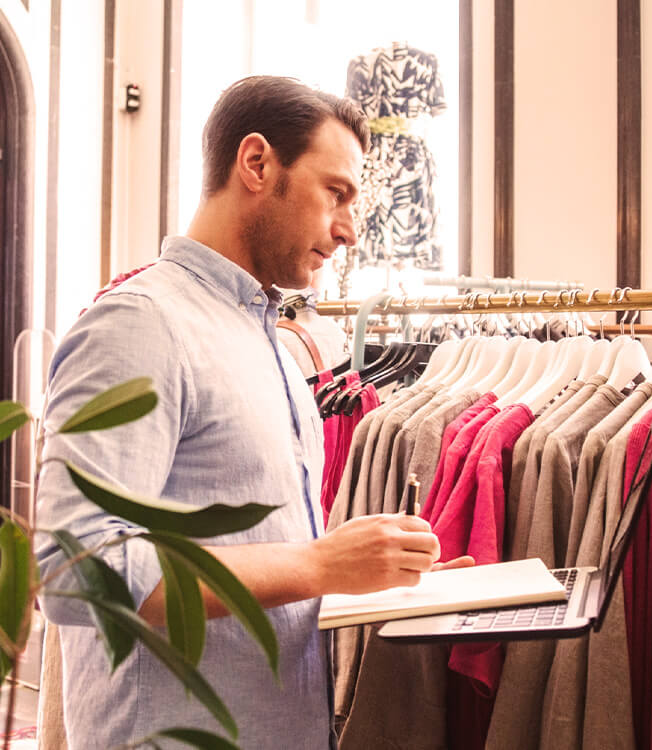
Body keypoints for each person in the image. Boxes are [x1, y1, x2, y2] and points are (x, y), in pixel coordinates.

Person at [34, 76, 470, 748]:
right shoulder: (139, 325)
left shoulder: (267, 340)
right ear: (258, 164)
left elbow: (255, 568)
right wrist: (322, 564)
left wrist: (388, 578)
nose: (351, 229)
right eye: (338, 193)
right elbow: (79, 573)